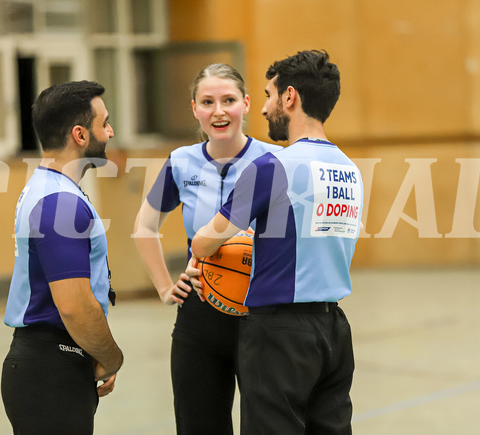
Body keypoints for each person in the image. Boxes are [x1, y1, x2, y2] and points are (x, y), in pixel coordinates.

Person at [190, 50, 363, 435]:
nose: (264, 109)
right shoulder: (350, 170)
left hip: (279, 332)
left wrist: (204, 253)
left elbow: (206, 240)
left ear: (290, 97)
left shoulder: (274, 166)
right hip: (334, 329)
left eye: (268, 96)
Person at [134, 64, 281, 435]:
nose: (219, 111)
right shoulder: (181, 162)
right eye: (208, 101)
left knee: (267, 426)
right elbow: (144, 227)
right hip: (200, 314)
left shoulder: (274, 161)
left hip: (261, 312)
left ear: (246, 104)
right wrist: (166, 287)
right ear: (194, 109)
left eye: (228, 100)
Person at [1, 80, 124, 435]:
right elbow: (73, 305)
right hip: (50, 367)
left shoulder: (49, 188)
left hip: (50, 363)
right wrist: (112, 356)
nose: (111, 132)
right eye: (105, 123)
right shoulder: (59, 202)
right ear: (80, 135)